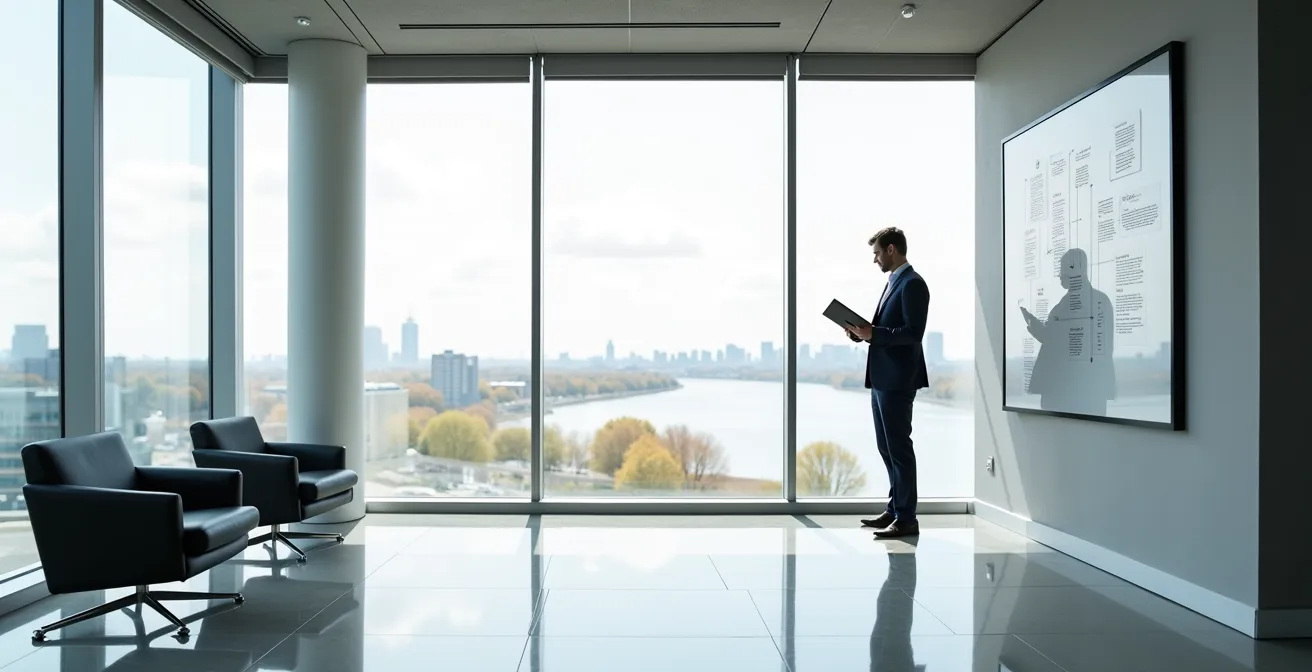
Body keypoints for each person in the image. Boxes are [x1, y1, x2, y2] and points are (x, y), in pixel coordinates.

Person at [845, 227, 930, 539]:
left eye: (877, 253)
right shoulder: (894, 282)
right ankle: (895, 510)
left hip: (898, 380)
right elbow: (886, 330)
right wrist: (863, 334)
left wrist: (874, 334)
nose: (875, 259)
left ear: (892, 249)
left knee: (899, 448)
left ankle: (907, 518)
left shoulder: (913, 284)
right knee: (886, 447)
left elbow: (912, 333)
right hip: (882, 378)